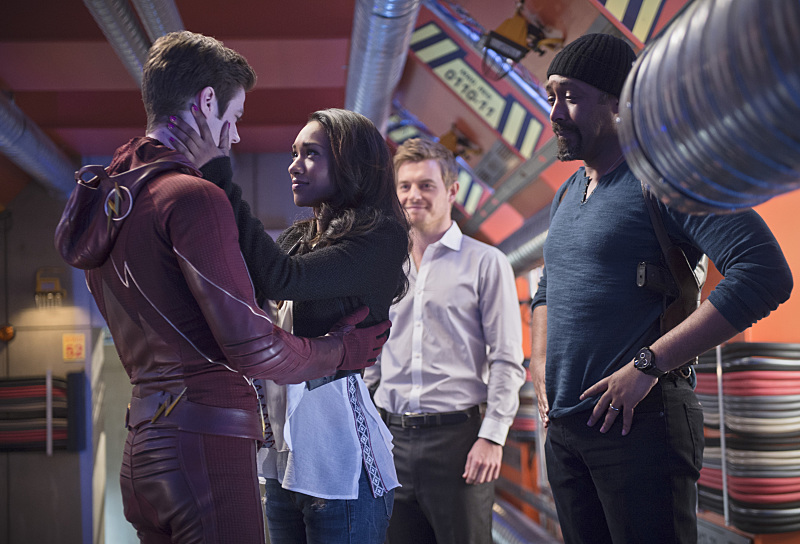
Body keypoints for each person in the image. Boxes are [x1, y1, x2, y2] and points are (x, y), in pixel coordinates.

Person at [54, 32, 390, 544]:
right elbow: (255, 345)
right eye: (232, 117)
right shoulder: (193, 197)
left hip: (145, 444)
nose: (233, 136)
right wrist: (339, 350)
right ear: (207, 102)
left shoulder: (116, 197)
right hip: (206, 442)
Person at [530, 32, 793, 544]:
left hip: (640, 427)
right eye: (551, 96)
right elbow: (547, 289)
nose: (555, 112)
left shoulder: (668, 177)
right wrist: (539, 363)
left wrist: (648, 365)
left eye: (571, 96)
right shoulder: (567, 191)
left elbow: (763, 271)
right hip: (566, 433)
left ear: (616, 103)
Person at [168, 107, 410, 543]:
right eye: (294, 153)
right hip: (284, 462)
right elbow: (246, 295)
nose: (294, 166)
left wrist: (220, 174)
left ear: (351, 163)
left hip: (341, 465)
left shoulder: (381, 237)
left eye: (311, 154)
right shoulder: (300, 237)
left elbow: (281, 278)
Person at [362, 138, 526, 544]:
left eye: (426, 185)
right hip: (391, 439)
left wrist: (492, 437)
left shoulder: (485, 262)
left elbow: (506, 359)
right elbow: (371, 359)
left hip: (458, 442)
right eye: (404, 186)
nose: (413, 195)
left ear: (452, 191)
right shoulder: (385, 268)